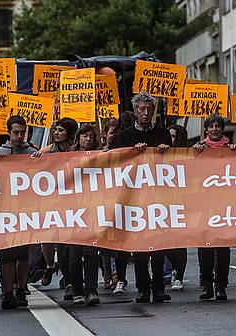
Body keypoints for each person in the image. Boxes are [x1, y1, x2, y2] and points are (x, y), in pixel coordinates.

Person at [109, 92, 171, 303]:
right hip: (133, 199)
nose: (146, 113)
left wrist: (166, 152)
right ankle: (143, 289)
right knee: (140, 249)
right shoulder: (123, 137)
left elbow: (173, 164)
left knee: (158, 246)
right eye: (141, 109)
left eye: (149, 109)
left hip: (157, 197)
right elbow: (115, 163)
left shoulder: (163, 134)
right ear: (135, 111)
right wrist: (130, 153)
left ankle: (159, 288)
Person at [0, 116, 37, 309]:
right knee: (7, 253)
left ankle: (21, 290)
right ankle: (7, 292)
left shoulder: (32, 153)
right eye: (15, 132)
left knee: (23, 253)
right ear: (8, 132)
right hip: (5, 211)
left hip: (26, 210)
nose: (18, 136)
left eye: (22, 132)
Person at [33, 117, 77, 297]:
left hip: (72, 201)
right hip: (51, 200)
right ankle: (51, 265)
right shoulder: (48, 151)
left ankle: (69, 280)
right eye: (55, 129)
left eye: (60, 130)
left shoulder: (77, 151)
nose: (56, 133)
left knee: (67, 244)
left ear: (69, 133)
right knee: (47, 236)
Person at [193, 115, 233, 300]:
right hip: (204, 203)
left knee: (223, 246)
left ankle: (221, 285)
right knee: (205, 246)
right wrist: (195, 153)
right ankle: (207, 285)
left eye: (218, 126)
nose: (215, 129)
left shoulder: (231, 149)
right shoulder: (199, 149)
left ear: (222, 129)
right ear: (207, 129)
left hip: (224, 204)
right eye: (211, 126)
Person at [67, 124, 101, 305]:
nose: (87, 140)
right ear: (78, 137)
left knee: (91, 253)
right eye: (84, 136)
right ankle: (77, 291)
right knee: (74, 255)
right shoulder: (67, 158)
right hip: (72, 212)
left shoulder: (99, 157)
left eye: (90, 137)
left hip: (92, 211)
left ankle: (91, 291)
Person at [164, 124, 188, 291]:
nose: (170, 139)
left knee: (180, 242)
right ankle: (172, 270)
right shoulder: (160, 153)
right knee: (166, 243)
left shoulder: (188, 155)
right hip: (164, 204)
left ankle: (179, 276)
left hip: (182, 203)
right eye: (168, 136)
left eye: (173, 136)